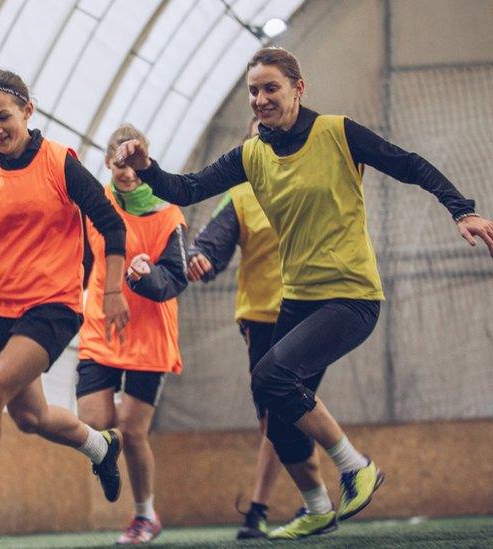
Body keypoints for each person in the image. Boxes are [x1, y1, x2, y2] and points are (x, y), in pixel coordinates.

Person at [115, 47, 493, 540]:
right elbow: (186, 188)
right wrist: (145, 166)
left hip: (350, 296)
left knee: (274, 375)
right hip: (298, 298)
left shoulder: (338, 132)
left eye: (270, 88)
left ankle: (355, 467)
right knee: (275, 401)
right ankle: (316, 505)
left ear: (298, 88)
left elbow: (409, 164)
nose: (260, 99)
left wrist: (461, 209)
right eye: (253, 91)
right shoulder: (251, 154)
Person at [0, 69, 131, 543]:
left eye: (4, 117)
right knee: (30, 418)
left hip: (53, 306)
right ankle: (100, 447)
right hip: (2, 310)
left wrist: (110, 291)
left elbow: (112, 225)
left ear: (28, 112)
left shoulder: (59, 163)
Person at [187, 117, 304, 539]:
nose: (265, 141)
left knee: (287, 415)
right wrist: (201, 259)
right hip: (260, 319)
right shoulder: (239, 196)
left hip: (308, 313)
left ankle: (262, 507)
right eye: (256, 136)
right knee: (275, 422)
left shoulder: (306, 186)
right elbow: (210, 244)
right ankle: (320, 497)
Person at [76, 124, 189, 545]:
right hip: (100, 328)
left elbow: (175, 279)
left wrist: (145, 277)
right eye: (119, 164)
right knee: (94, 423)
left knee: (133, 429)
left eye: (133, 164)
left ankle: (144, 515)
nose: (126, 173)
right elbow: (84, 257)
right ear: (108, 162)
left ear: (144, 162)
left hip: (150, 335)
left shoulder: (168, 214)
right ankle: (105, 459)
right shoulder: (96, 205)